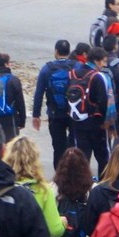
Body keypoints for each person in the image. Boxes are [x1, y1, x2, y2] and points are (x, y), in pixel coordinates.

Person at [32, 39, 76, 169]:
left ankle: (59, 173)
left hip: (55, 113)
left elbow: (39, 93)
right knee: (74, 144)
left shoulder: (47, 69)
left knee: (58, 147)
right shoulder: (76, 67)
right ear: (69, 52)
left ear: (56, 51)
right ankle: (72, 170)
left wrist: (36, 115)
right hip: (73, 113)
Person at [69, 43, 111, 175]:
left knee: (82, 159)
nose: (104, 65)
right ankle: (103, 183)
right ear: (97, 61)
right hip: (96, 124)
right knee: (103, 157)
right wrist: (104, 122)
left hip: (78, 121)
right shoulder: (98, 77)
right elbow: (103, 102)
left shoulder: (73, 74)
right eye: (103, 61)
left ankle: (81, 184)